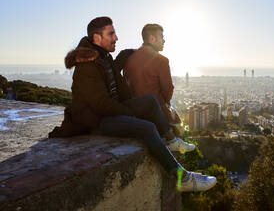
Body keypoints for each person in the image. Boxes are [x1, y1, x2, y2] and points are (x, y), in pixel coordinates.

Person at [49, 17, 216, 192]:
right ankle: (183, 178)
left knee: (150, 101)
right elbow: (101, 105)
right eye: (111, 34)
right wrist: (130, 113)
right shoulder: (87, 66)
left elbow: (113, 80)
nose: (116, 38)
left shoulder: (102, 57)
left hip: (108, 111)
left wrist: (125, 57)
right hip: (95, 120)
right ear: (97, 38)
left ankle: (171, 139)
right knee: (147, 128)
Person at [119, 24, 187, 151]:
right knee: (178, 124)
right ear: (152, 39)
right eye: (161, 37)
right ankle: (174, 143)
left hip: (135, 111)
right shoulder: (161, 60)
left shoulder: (129, 59)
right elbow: (168, 90)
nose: (164, 40)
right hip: (155, 112)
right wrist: (167, 105)